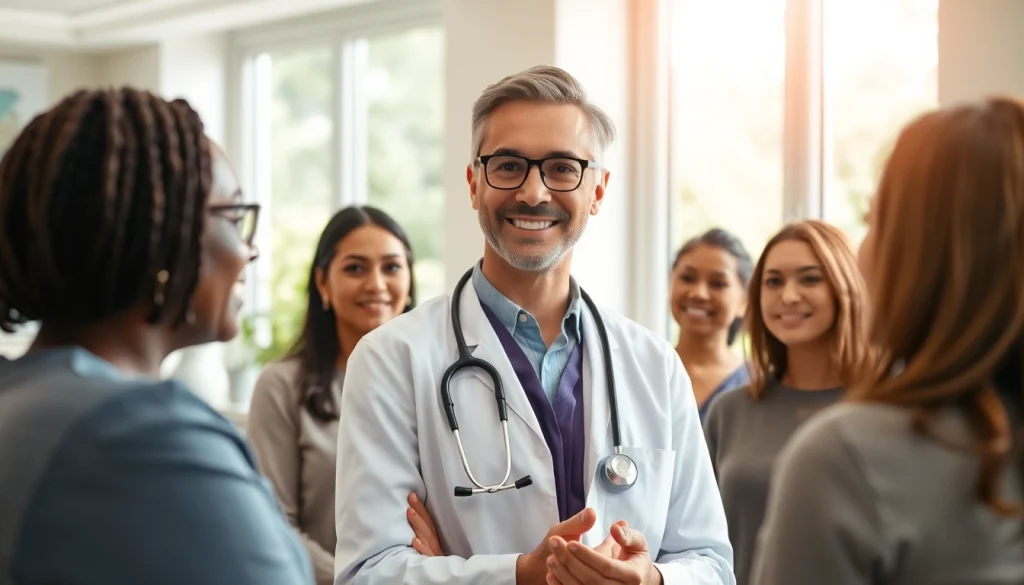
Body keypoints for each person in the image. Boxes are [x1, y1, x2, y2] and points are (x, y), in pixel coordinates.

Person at [333, 65, 733, 585]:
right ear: (474, 184)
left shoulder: (654, 364)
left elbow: (712, 564)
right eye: (508, 166)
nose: (534, 192)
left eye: (563, 168)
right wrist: (519, 575)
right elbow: (367, 573)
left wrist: (652, 580)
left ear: (598, 191)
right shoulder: (391, 359)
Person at [0, 89, 312, 584]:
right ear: (169, 235)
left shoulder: (22, 397)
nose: (249, 249)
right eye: (234, 217)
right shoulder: (142, 435)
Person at [750, 98, 1024, 585]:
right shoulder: (739, 411)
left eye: (876, 220)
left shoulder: (847, 454)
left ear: (925, 252)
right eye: (773, 281)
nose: (864, 251)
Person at [248, 205, 416, 585]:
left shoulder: (437, 382)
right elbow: (273, 523)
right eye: (355, 268)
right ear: (322, 283)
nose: (376, 284)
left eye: (391, 267)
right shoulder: (281, 387)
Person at [702, 219, 871, 585]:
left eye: (810, 279)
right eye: (774, 281)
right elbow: (696, 546)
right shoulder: (729, 411)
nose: (789, 296)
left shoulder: (881, 412)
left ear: (845, 287)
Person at [670, 228, 753, 419]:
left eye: (717, 283)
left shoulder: (757, 384)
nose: (698, 293)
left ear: (744, 301)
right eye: (687, 278)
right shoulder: (641, 370)